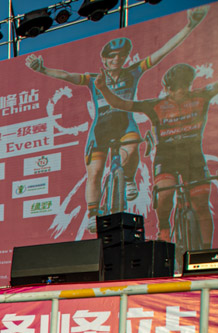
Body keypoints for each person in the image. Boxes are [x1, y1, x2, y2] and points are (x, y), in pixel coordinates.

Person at [26, 8, 207, 231]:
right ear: (104, 59)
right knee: (94, 173)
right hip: (100, 128)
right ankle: (93, 213)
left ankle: (128, 178)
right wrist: (42, 69)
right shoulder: (94, 79)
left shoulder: (132, 72)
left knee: (131, 149)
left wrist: (189, 26)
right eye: (112, 56)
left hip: (125, 123)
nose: (116, 59)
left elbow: (162, 52)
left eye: (121, 56)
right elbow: (66, 75)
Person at [96, 65, 218, 248]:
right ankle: (164, 226)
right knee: (164, 194)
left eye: (184, 86)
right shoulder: (156, 105)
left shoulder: (201, 96)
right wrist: (103, 89)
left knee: (201, 204)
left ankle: (205, 251)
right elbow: (121, 104)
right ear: (167, 89)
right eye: (175, 88)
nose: (180, 91)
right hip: (167, 158)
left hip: (194, 157)